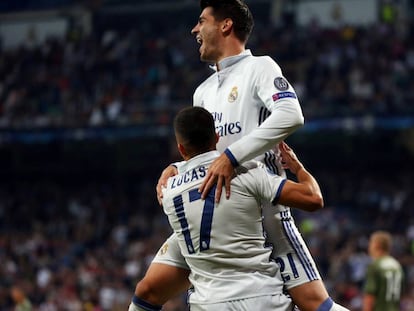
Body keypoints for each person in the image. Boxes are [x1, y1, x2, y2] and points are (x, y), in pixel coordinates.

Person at [132, 1, 349, 311]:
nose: (194, 29)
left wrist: (231, 158)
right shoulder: (203, 91)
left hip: (262, 213)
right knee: (148, 290)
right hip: (212, 211)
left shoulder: (259, 68)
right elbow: (207, 150)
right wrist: (177, 166)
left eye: (201, 21)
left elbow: (291, 114)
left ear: (225, 25)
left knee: (314, 303)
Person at [130, 106, 325, 311]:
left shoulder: (168, 190)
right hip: (262, 299)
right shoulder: (247, 172)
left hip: (208, 304)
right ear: (217, 137)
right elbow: (313, 198)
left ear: (181, 149)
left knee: (146, 291)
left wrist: (174, 167)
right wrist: (297, 168)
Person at [362, 230, 404, 311]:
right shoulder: (397, 266)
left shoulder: (375, 266)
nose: (369, 246)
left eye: (371, 242)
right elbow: (401, 295)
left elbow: (370, 297)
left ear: (376, 244)